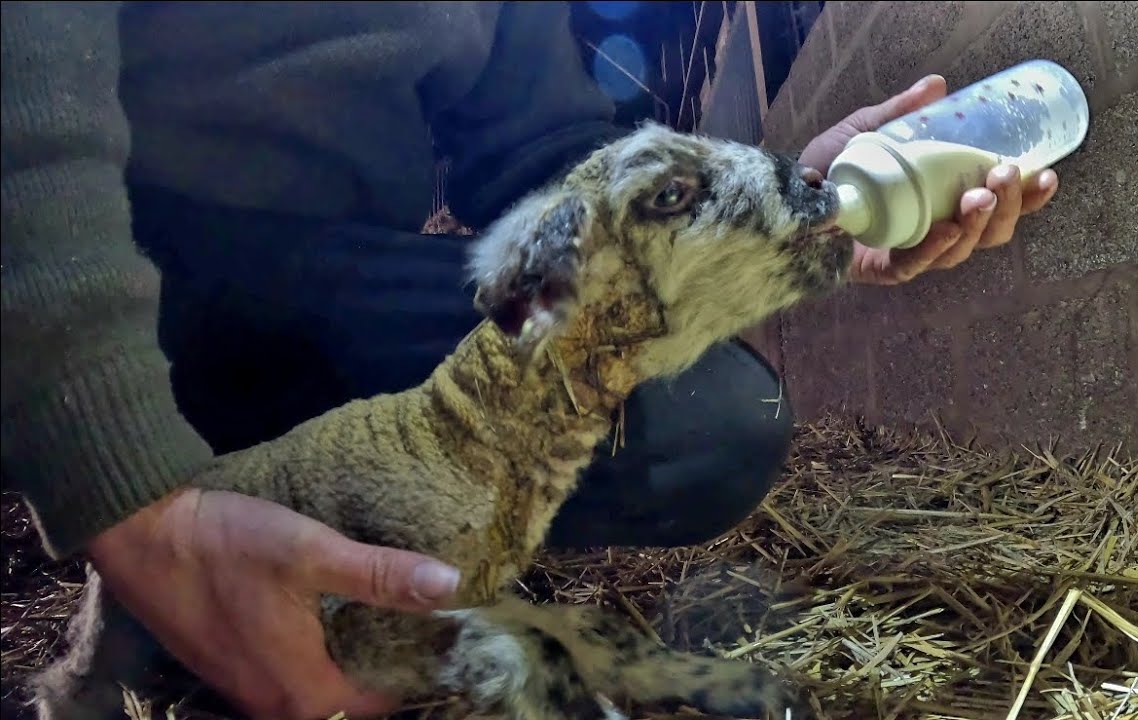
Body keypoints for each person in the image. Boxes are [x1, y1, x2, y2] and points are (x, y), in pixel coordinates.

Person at [0, 2, 1059, 719]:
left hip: (311, 273)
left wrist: (778, 205)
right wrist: (127, 501)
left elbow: (547, 171)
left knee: (694, 419)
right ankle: (141, 598)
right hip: (64, 243)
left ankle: (239, 554)